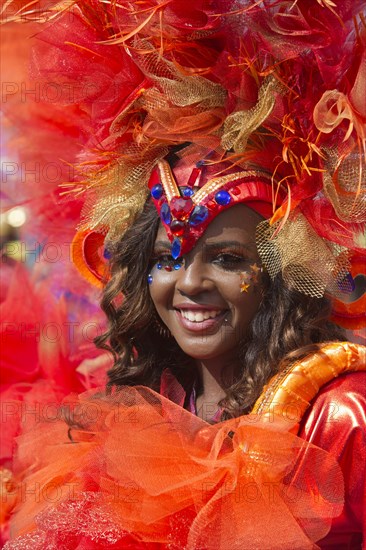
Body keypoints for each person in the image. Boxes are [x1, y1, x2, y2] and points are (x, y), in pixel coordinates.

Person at [1, 1, 365, 548]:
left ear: (280, 272)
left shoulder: (342, 415)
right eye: (166, 258)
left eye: (227, 259)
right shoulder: (152, 401)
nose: (188, 283)